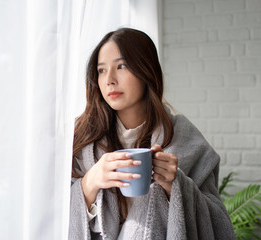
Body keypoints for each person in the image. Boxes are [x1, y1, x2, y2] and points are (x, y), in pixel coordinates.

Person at [69, 28, 235, 239]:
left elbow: (218, 223)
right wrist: (90, 182)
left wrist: (174, 185)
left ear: (145, 70)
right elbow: (49, 215)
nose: (109, 79)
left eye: (121, 66)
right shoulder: (80, 138)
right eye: (101, 70)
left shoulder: (184, 137)